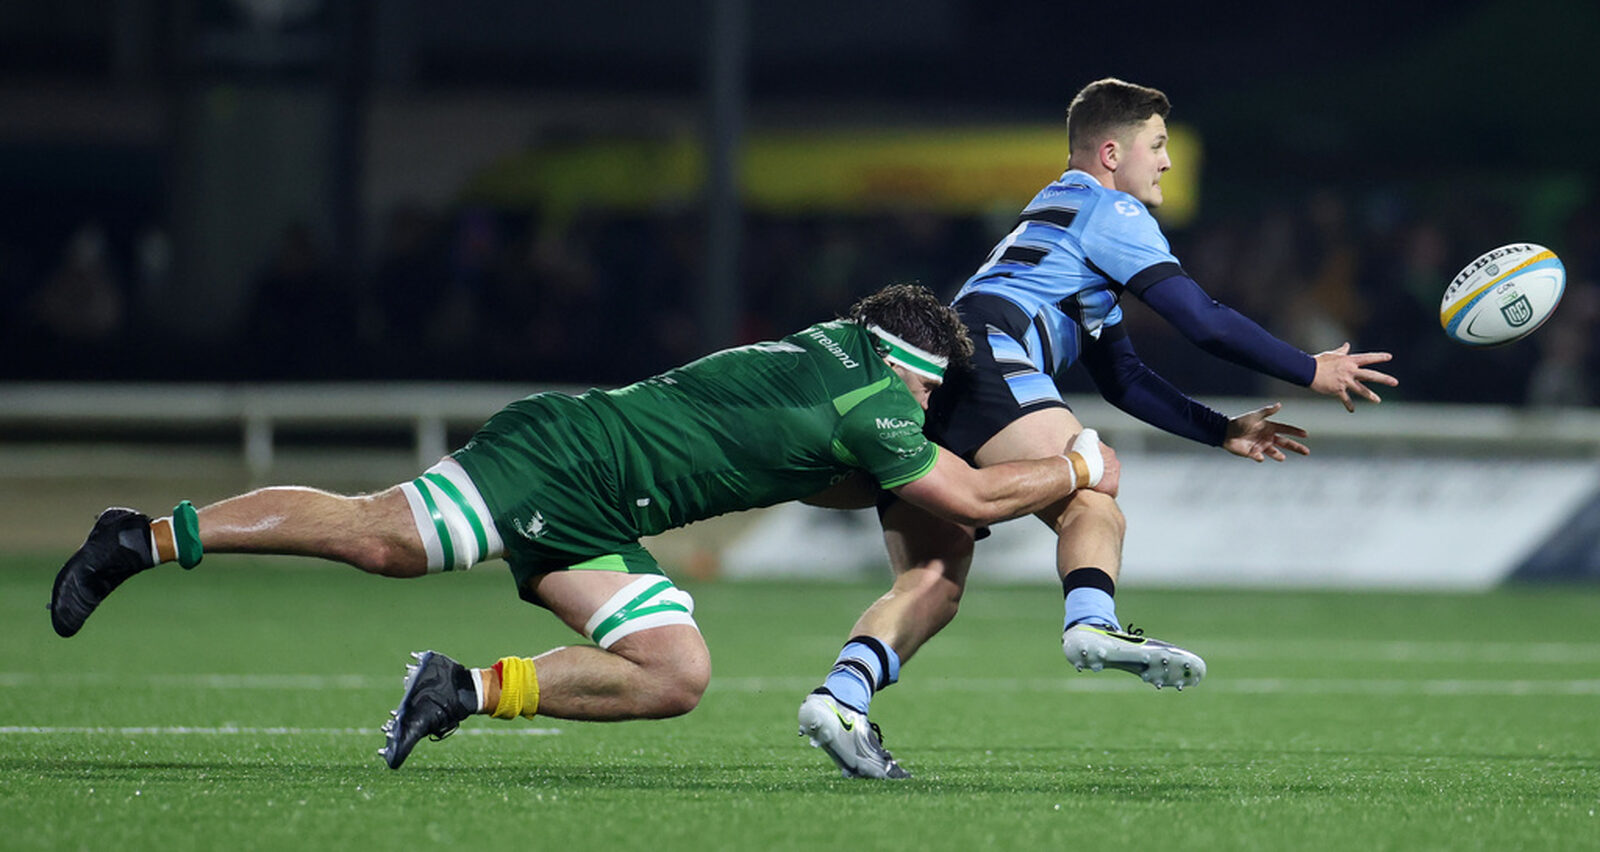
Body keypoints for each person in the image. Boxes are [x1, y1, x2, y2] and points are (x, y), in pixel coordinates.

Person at [48, 283, 1121, 771]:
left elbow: (824, 479)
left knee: (674, 673)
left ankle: (459, 689)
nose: (924, 417)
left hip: (603, 504)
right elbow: (968, 500)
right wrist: (1079, 464)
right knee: (380, 539)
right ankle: (143, 537)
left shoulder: (827, 358)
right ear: (909, 368)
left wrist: (917, 487)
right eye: (928, 397)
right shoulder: (877, 396)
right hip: (564, 461)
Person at [796, 78, 1399, 779]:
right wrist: (1308, 369)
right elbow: (1201, 318)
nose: (1166, 161)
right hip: (990, 356)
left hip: (934, 380)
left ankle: (841, 697)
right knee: (1092, 494)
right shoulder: (1111, 209)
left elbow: (1125, 378)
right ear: (1111, 153)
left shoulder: (1058, 222)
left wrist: (1220, 430)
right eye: (1157, 144)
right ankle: (1092, 623)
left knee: (933, 578)